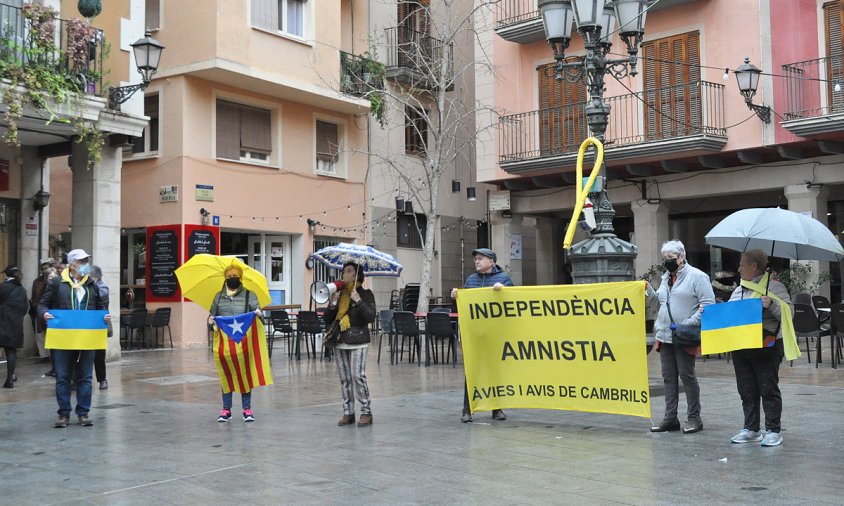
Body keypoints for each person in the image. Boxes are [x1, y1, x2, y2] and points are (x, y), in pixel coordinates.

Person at [646, 240, 715, 434]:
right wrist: (649, 291)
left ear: (682, 257)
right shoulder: (666, 277)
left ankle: (694, 418)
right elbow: (658, 304)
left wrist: (688, 323)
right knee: (668, 377)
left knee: (687, 376)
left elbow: (708, 305)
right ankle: (670, 418)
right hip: (665, 335)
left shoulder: (698, 277)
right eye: (665, 258)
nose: (667, 262)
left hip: (684, 335)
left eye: (671, 258)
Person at [727, 249, 792, 447]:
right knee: (746, 389)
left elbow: (790, 313)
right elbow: (730, 312)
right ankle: (751, 428)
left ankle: (773, 430)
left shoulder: (774, 287)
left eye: (742, 265)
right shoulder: (739, 289)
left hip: (766, 346)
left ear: (754, 266)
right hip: (741, 346)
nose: (739, 269)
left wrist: (772, 304)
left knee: (767, 388)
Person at [38, 249, 109, 428]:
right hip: (63, 336)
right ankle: (64, 414)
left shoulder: (91, 284)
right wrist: (44, 314)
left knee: (85, 377)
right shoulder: (56, 283)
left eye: (86, 261)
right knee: (62, 376)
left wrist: (105, 317)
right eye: (81, 261)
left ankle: (83, 413)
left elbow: (101, 306)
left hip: (87, 336)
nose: (85, 264)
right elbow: (43, 304)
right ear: (71, 264)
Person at [450, 248, 514, 423]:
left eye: (480, 259)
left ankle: (496, 408)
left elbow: (514, 303)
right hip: (474, 335)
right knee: (471, 372)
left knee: (494, 372)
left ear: (491, 262)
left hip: (495, 335)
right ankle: (467, 408)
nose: (476, 262)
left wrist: (505, 291)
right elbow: (464, 308)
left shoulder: (503, 279)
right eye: (475, 259)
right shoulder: (471, 280)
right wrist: (455, 297)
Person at [324, 262, 377, 427]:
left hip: (358, 340)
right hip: (340, 339)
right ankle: (348, 412)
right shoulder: (340, 295)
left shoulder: (366, 294)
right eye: (343, 271)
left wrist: (358, 300)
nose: (344, 275)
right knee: (345, 378)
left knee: (357, 376)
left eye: (348, 271)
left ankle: (366, 412)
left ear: (356, 275)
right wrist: (332, 304)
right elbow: (327, 319)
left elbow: (370, 317)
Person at [208, 264, 263, 422]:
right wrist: (210, 321)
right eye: (230, 277)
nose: (233, 279)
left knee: (244, 375)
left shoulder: (249, 295)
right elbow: (211, 317)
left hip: (244, 342)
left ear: (241, 278)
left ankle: (247, 409)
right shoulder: (218, 297)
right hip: (224, 344)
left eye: (235, 276)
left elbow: (259, 314)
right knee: (226, 375)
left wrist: (259, 314)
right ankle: (226, 409)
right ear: (225, 279)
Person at [0, 266, 28, 388]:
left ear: (6, 275)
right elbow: (26, 307)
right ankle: (10, 379)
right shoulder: (22, 290)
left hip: (1, 322)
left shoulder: (2, 287)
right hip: (14, 325)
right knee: (11, 352)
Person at [31, 259, 57, 376]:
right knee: (41, 335)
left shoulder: (56, 282)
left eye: (47, 267)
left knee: (53, 338)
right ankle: (46, 357)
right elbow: (36, 296)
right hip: (41, 310)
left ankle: (55, 363)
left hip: (54, 313)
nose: (45, 270)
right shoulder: (38, 282)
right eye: (43, 268)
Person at [89, 265, 109, 390]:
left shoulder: (102, 287)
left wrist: (92, 284)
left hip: (98, 324)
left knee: (99, 355)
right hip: (86, 324)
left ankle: (102, 379)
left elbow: (102, 296)